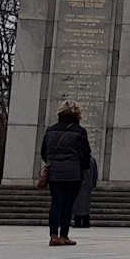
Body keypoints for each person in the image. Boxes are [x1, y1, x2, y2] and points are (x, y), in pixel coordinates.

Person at [40, 101, 93, 247]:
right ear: (77, 114)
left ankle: (53, 235)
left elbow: (44, 152)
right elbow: (85, 154)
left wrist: (54, 162)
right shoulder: (79, 132)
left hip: (55, 172)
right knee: (68, 204)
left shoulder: (50, 131)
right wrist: (83, 167)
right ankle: (64, 235)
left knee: (56, 203)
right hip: (73, 172)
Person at [71, 150, 98, 231]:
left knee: (77, 204)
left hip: (78, 184)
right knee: (85, 205)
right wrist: (93, 184)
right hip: (87, 185)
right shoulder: (91, 159)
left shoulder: (76, 159)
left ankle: (78, 222)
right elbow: (95, 174)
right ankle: (85, 221)